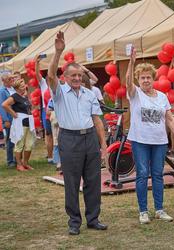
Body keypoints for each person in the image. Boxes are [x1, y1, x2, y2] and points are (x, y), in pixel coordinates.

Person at [48, 31, 108, 235]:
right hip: (69, 139)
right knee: (72, 183)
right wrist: (58, 52)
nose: (76, 78)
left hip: (89, 138)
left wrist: (104, 146)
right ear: (64, 78)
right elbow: (49, 76)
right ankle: (74, 222)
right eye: (72, 75)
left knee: (93, 181)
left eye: (78, 75)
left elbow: (97, 120)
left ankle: (93, 219)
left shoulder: (89, 94)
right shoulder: (59, 94)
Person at [126, 48, 174, 224]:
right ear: (139, 80)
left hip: (159, 141)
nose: (145, 80)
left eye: (148, 77)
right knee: (143, 174)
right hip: (140, 141)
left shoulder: (161, 96)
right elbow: (128, 81)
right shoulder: (135, 94)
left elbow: (169, 118)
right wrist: (131, 62)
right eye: (142, 78)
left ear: (153, 79)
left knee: (158, 174)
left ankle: (159, 209)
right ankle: (143, 211)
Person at [2, 78, 35, 171]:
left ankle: (25, 163)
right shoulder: (14, 96)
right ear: (17, 88)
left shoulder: (24, 97)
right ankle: (19, 164)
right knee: (19, 144)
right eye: (21, 86)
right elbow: (4, 104)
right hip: (21, 124)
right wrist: (13, 113)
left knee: (29, 144)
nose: (24, 87)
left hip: (29, 123)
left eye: (24, 85)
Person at [35, 54, 54, 164]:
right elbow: (37, 74)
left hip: (56, 112)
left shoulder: (57, 85)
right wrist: (37, 63)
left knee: (56, 135)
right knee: (48, 135)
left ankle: (56, 156)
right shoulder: (43, 85)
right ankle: (50, 156)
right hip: (46, 112)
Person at [0, 73, 16, 168]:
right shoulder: (2, 91)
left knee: (16, 139)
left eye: (12, 78)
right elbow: (1, 107)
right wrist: (6, 120)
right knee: (10, 140)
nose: (12, 80)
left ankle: (16, 159)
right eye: (9, 79)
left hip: (16, 117)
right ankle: (10, 161)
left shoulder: (13, 89)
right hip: (9, 119)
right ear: (4, 81)